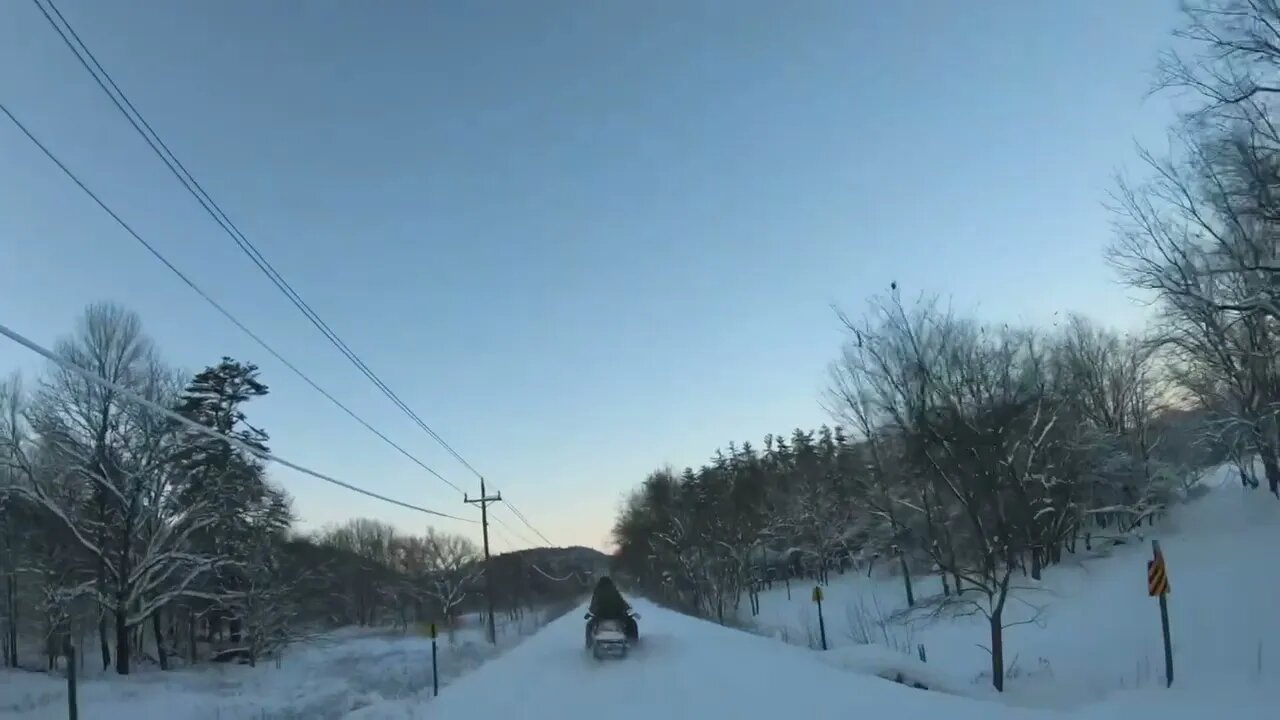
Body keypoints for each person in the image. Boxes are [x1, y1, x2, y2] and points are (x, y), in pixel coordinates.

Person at [585, 576, 638, 644]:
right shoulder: (614, 591)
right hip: (617, 616)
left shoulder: (597, 591)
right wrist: (627, 608)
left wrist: (592, 611)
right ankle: (633, 642)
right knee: (631, 623)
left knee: (589, 625)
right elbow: (622, 602)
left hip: (601, 617)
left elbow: (594, 605)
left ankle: (589, 644)